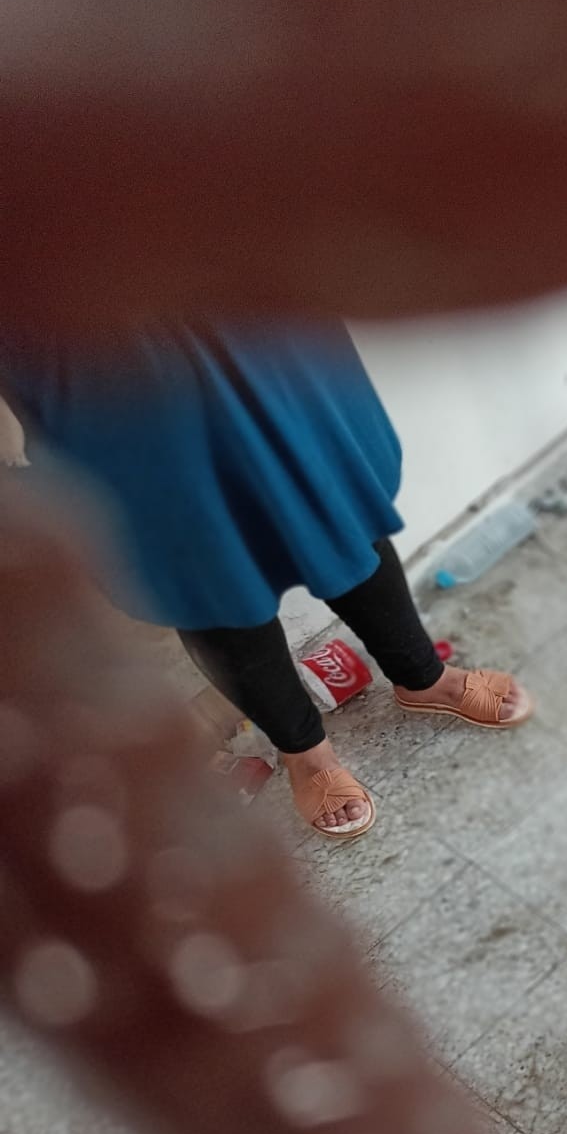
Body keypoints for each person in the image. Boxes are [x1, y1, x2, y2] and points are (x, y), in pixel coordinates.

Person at [0, 320, 532, 840]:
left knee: (329, 494)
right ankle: (304, 751)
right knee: (200, 559)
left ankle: (422, 677)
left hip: (229, 293)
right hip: (81, 335)